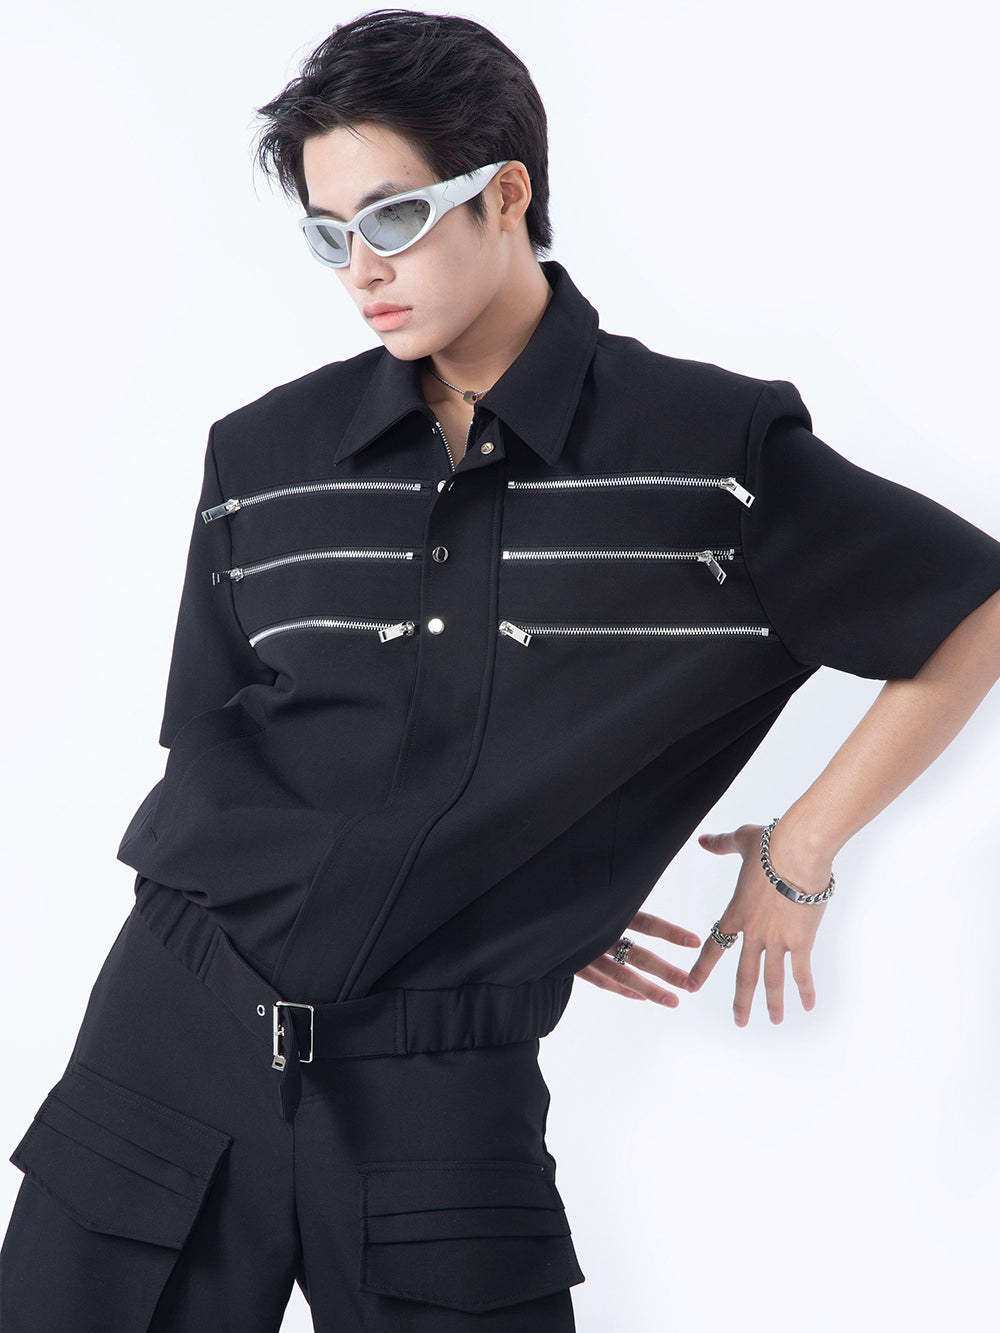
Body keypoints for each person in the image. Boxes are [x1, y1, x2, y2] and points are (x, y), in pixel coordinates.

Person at [3, 8, 1000, 1331]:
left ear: (507, 193)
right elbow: (230, 754)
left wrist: (802, 845)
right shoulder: (261, 459)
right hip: (167, 1043)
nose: (362, 269)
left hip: (442, 1090)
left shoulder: (709, 453)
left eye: (394, 217)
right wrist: (476, 866)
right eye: (328, 233)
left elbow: (974, 602)